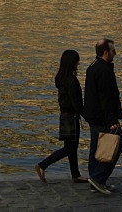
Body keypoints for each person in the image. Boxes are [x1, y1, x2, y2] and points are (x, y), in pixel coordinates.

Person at [35, 50, 88, 184]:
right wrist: (87, 115)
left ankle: (75, 174)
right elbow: (76, 102)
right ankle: (42, 165)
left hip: (65, 116)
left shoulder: (62, 79)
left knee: (71, 146)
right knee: (69, 148)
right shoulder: (72, 81)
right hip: (71, 117)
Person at [83, 38, 122, 195]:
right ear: (106, 52)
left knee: (96, 149)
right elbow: (106, 98)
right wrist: (112, 120)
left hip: (93, 115)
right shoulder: (104, 71)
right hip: (103, 117)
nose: (115, 54)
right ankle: (98, 179)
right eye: (113, 51)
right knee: (116, 146)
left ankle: (96, 181)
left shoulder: (92, 67)